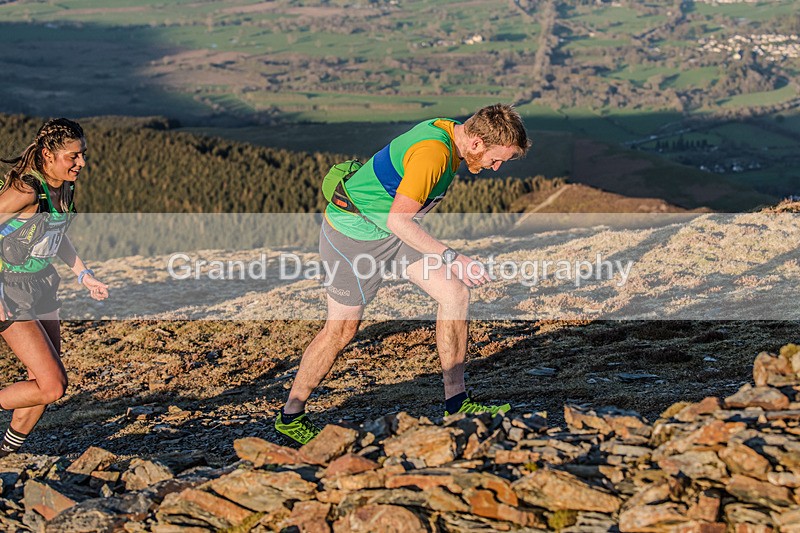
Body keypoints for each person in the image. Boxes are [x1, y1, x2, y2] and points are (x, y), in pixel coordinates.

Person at [275, 104, 531, 444]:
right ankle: (290, 416)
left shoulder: (453, 131)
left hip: (392, 233)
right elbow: (399, 220)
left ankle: (457, 404)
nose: (496, 167)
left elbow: (399, 221)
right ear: (476, 144)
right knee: (341, 331)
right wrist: (452, 256)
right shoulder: (433, 154)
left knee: (454, 294)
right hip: (355, 237)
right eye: (496, 159)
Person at [0, 118, 108, 458]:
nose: (81, 163)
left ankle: (7, 454)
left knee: (42, 379)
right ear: (48, 154)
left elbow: (55, 234)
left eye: (83, 154)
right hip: (10, 288)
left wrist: (83, 273)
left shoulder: (63, 185)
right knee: (52, 385)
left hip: (43, 284)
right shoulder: (26, 190)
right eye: (73, 156)